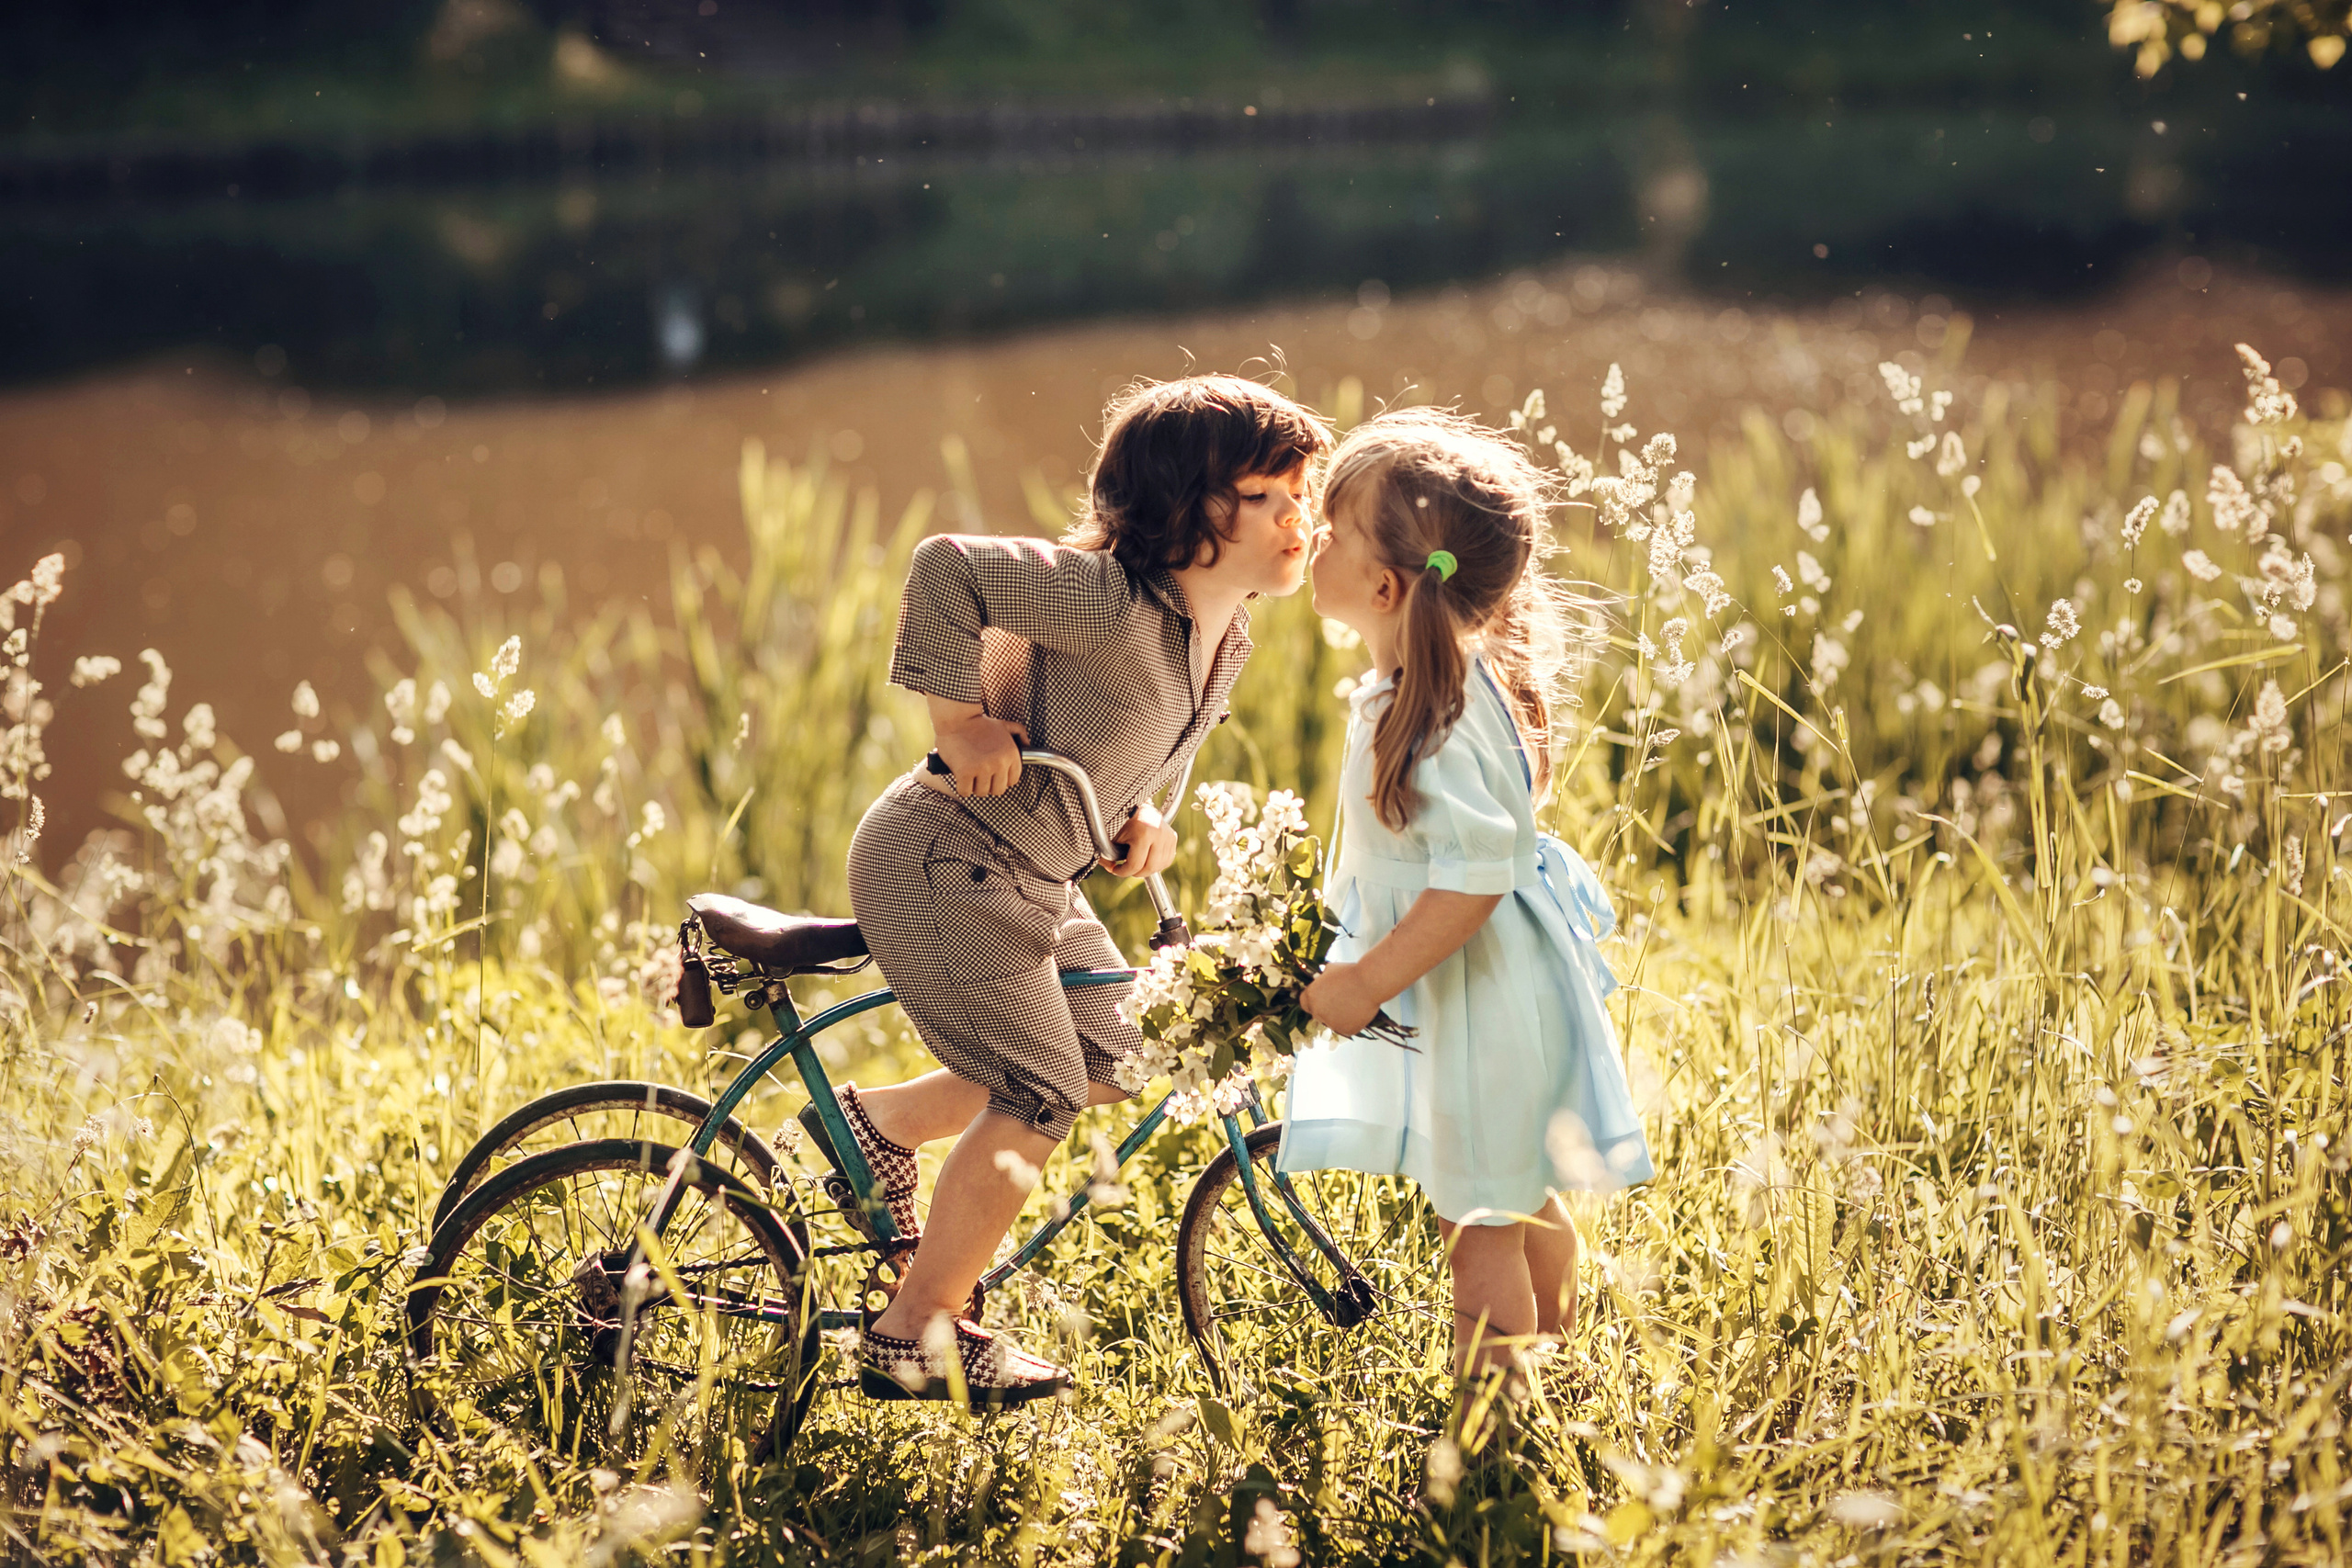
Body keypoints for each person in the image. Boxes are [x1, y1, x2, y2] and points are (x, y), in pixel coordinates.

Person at [808, 375, 1329, 1406]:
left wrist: (1144, 816)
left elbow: (1150, 736)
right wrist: (957, 723)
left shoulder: (1221, 633)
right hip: (944, 855)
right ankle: (917, 1330)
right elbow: (945, 568)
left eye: (1299, 497)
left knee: (1132, 1046)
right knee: (1042, 1088)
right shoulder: (1107, 596)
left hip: (1033, 870)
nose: (1296, 520)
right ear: (1191, 509)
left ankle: (879, 1125)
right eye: (1270, 497)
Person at [1285, 406, 1653, 1388]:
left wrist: (1364, 977)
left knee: (1476, 1218)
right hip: (1493, 985)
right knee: (1513, 1188)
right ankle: (1556, 1358)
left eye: (1327, 531)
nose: (1307, 546)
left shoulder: (1434, 717)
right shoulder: (1438, 683)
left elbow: (1475, 881)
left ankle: (1493, 1422)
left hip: (1476, 991)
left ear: (1382, 585)